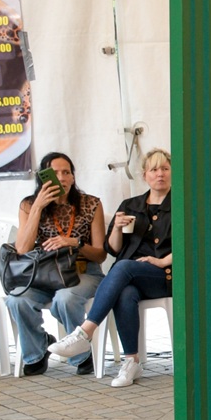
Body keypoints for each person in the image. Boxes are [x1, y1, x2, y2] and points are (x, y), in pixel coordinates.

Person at [49, 148, 173, 388]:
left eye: (165, 169)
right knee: (124, 292)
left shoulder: (183, 204)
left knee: (124, 268)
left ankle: (85, 332)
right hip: (131, 276)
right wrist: (116, 227)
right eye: (154, 169)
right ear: (144, 175)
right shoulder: (131, 205)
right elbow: (113, 249)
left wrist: (162, 261)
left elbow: (195, 242)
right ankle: (132, 362)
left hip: (166, 274)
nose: (160, 174)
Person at [9, 151, 105, 376]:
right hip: (45, 273)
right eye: (55, 173)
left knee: (65, 298)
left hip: (83, 272)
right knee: (16, 300)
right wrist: (37, 208)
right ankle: (37, 351)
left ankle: (81, 354)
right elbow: (22, 249)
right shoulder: (29, 205)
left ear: (73, 177)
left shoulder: (91, 203)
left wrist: (75, 242)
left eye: (67, 172)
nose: (62, 178)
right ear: (43, 177)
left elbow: (100, 255)